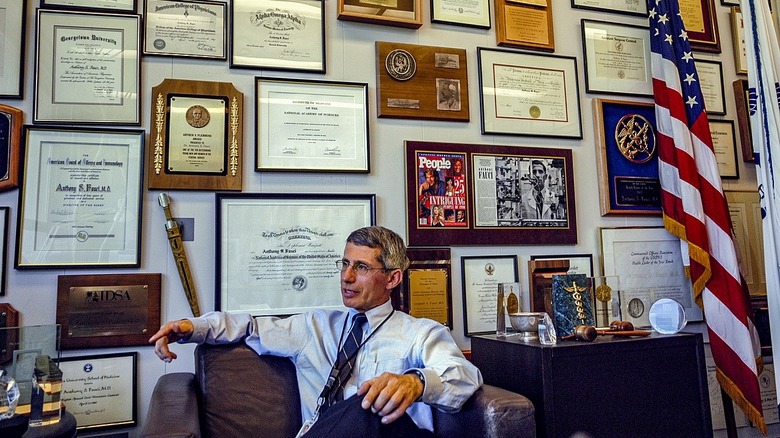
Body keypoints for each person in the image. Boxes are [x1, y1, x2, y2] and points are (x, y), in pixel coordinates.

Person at [149, 226, 482, 437]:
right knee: (359, 406)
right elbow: (250, 326)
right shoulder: (315, 326)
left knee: (365, 403)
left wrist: (415, 381)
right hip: (323, 431)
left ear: (392, 279)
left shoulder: (421, 333)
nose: (347, 277)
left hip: (396, 435)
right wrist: (190, 327)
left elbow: (464, 377)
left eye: (361, 267)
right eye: (345, 264)